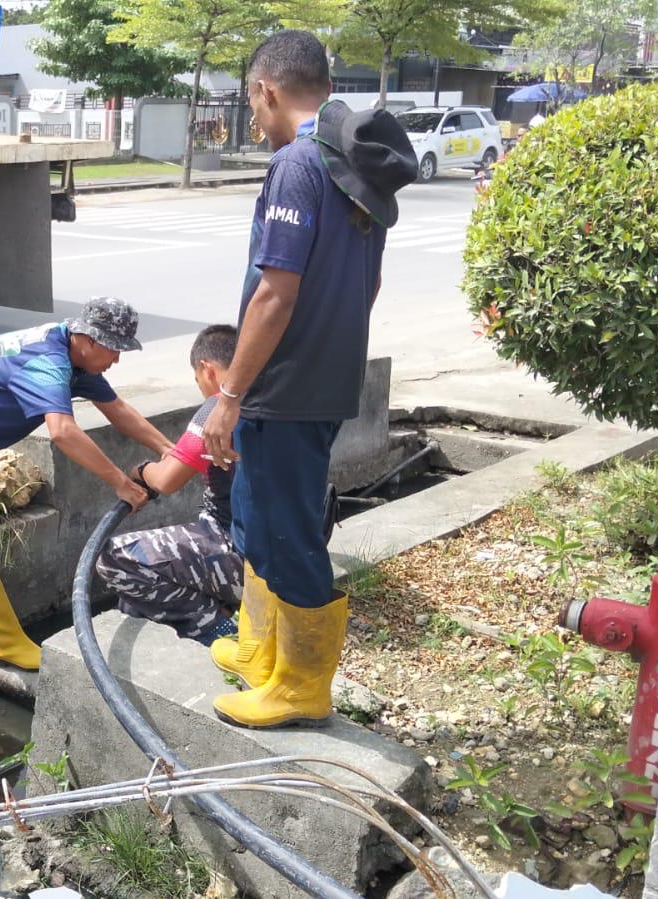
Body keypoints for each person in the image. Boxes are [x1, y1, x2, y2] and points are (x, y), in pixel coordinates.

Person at [200, 30, 416, 728]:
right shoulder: (356, 162)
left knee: (284, 530)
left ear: (264, 90)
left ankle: (300, 685)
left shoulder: (298, 165)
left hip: (283, 385)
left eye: (250, 103)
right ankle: (263, 651)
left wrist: (228, 395)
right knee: (259, 520)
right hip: (321, 375)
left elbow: (273, 293)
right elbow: (371, 281)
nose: (254, 118)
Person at [0, 298, 174, 670]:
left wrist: (170, 450)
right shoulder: (47, 362)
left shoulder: (73, 353)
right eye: (114, 349)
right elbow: (63, 432)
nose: (117, 360)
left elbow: (117, 409)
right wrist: (120, 482)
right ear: (87, 338)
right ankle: (6, 643)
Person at [98, 325, 338, 646]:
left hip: (249, 561)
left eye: (197, 378)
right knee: (138, 596)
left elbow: (168, 479)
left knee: (115, 558)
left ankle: (218, 628)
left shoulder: (220, 408)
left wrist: (142, 471)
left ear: (206, 369)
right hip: (301, 555)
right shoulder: (286, 395)